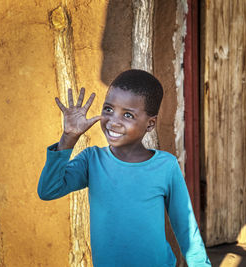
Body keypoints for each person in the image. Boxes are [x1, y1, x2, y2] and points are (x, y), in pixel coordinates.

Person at [37, 69, 211, 266]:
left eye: (128, 115)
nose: (113, 121)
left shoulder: (166, 166)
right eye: (108, 109)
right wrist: (69, 137)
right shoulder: (92, 160)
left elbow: (185, 226)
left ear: (150, 124)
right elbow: (48, 190)